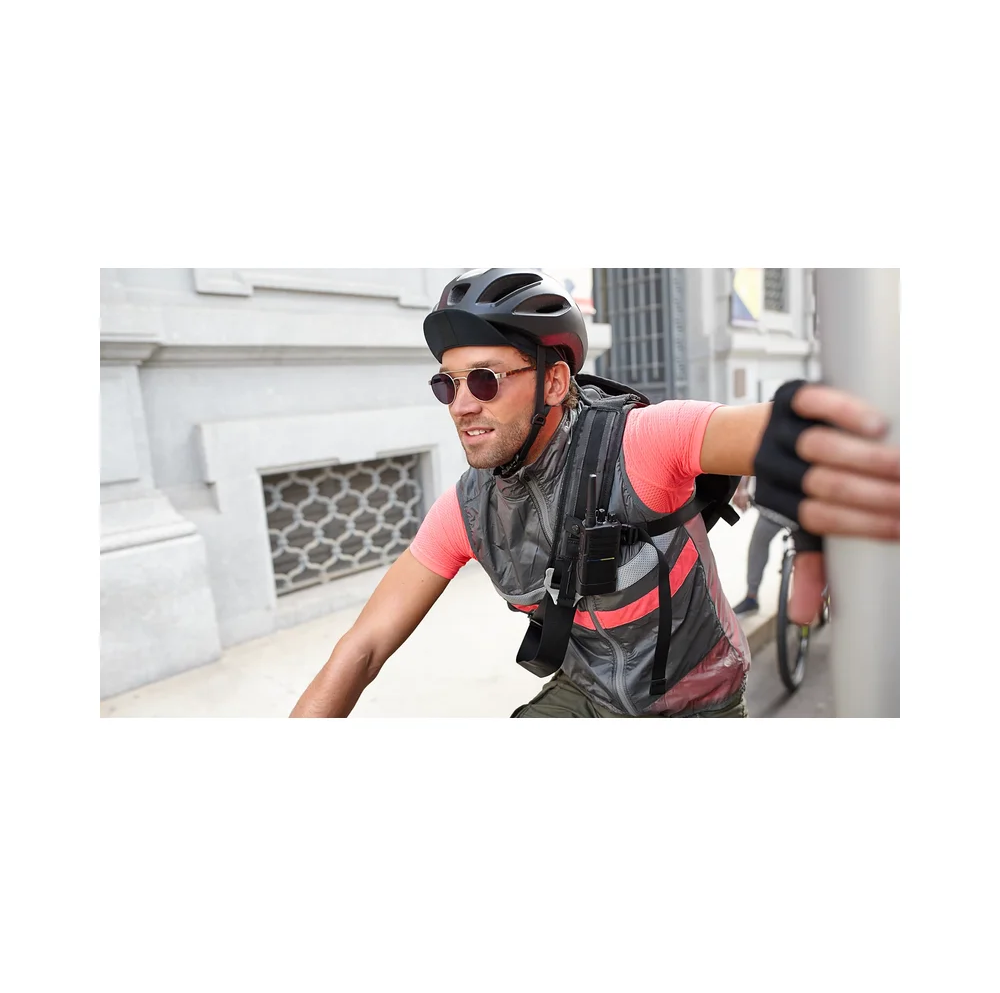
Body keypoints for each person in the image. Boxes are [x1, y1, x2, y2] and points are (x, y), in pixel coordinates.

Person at [290, 268, 899, 719]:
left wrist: (810, 441)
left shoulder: (641, 442)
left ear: (555, 381)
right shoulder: (468, 510)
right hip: (588, 697)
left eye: (485, 380)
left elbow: (774, 433)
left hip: (698, 703)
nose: (462, 404)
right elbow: (364, 648)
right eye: (447, 385)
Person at [730, 475, 786, 616]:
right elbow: (748, 463)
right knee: (758, 542)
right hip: (776, 506)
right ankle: (752, 596)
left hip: (809, 503)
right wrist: (742, 488)